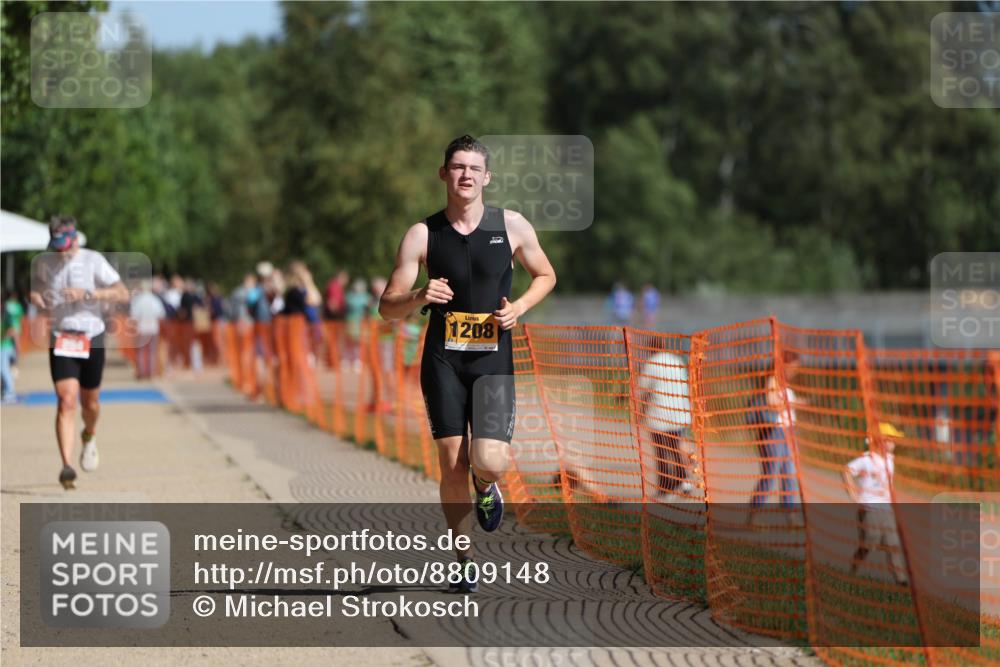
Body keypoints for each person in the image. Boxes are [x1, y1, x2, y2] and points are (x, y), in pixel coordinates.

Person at [378, 135, 557, 593]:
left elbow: (546, 274)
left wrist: (519, 307)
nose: (466, 176)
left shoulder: (512, 225)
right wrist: (419, 295)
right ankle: (464, 559)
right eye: (457, 167)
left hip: (493, 358)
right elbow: (388, 307)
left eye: (474, 169)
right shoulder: (423, 234)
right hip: (443, 360)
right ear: (443, 174)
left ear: (487, 177)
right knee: (450, 462)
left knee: (490, 461)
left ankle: (486, 486)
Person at [30, 216, 128, 489]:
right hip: (61, 337)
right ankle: (66, 466)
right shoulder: (46, 263)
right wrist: (37, 298)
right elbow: (36, 290)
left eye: (63, 244)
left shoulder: (93, 260)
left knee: (91, 403)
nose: (59, 251)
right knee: (66, 401)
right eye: (55, 245)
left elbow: (121, 293)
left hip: (92, 337)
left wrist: (87, 294)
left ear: (73, 237)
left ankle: (90, 434)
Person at [843, 422, 908, 586]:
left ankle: (901, 581)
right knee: (870, 542)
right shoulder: (867, 459)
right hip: (869, 509)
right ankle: (853, 569)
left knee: (893, 545)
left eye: (894, 440)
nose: (893, 443)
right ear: (881, 441)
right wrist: (852, 493)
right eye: (890, 439)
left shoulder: (890, 460)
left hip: (887, 509)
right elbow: (847, 470)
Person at [747, 350, 802, 525]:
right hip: (773, 433)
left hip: (788, 433)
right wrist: (789, 403)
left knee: (790, 475)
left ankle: (790, 515)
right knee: (770, 475)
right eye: (792, 367)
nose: (794, 371)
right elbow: (773, 405)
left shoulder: (785, 386)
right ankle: (754, 515)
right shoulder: (772, 381)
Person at [636, 345, 694, 500]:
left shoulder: (652, 363)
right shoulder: (676, 361)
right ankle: (684, 479)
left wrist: (639, 413)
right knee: (677, 448)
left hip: (659, 416)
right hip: (679, 413)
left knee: (661, 452)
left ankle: (665, 486)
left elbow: (642, 390)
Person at [129, 279, 166, 379]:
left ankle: (141, 372)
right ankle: (150, 373)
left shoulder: (138, 300)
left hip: (142, 328)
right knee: (152, 351)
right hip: (153, 328)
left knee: (140, 351)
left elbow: (134, 316)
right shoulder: (155, 299)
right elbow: (161, 314)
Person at [1, 291, 18, 403]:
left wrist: (3, 337)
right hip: (4, 346)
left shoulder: (6, 314)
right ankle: (5, 391)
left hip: (5, 346)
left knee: (4, 369)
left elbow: (13, 331)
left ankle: (10, 393)